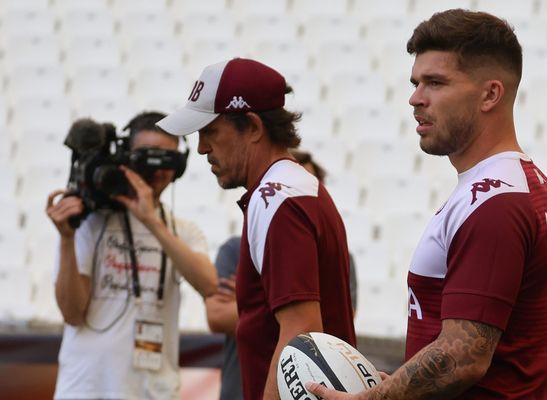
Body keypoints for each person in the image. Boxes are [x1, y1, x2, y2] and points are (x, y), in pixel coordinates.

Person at [308, 9, 547, 400]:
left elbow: (461, 358)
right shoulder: (523, 185)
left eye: (435, 82)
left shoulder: (495, 204)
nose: (416, 98)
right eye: (416, 82)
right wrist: (401, 386)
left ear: (490, 94)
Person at [156, 58, 356, 400]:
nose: (202, 147)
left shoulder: (277, 198)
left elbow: (301, 336)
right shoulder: (296, 190)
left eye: (210, 131)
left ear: (252, 126)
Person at [46, 111, 218, 399]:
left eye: (166, 159)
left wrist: (152, 221)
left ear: (180, 166)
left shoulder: (183, 231)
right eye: (145, 156)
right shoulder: (91, 222)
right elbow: (72, 313)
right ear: (125, 157)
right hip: (86, 389)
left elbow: (209, 284)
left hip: (154, 391)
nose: (155, 169)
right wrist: (66, 240)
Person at [205, 149, 359, 400]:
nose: (203, 147)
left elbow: (303, 328)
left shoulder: (283, 204)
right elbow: (216, 316)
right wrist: (270, 308)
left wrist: (261, 307)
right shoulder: (237, 246)